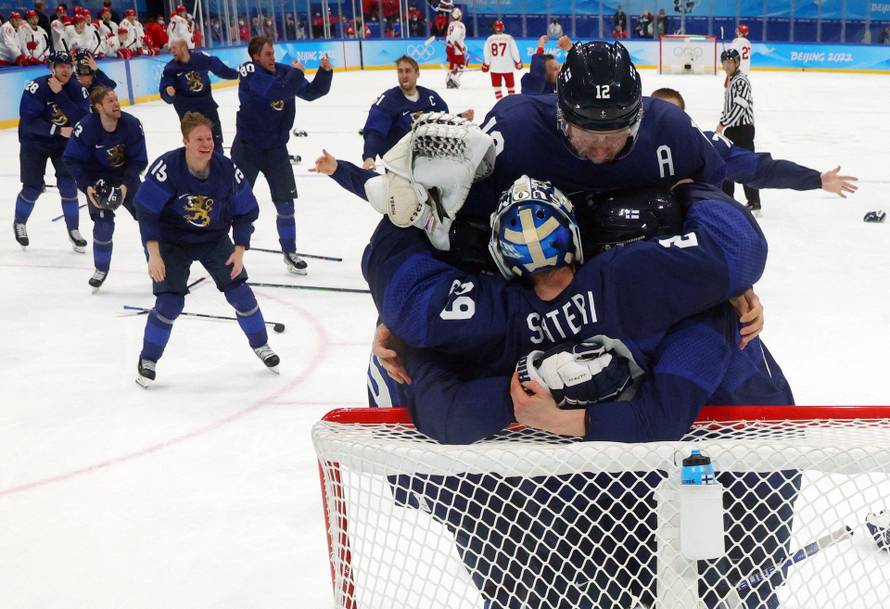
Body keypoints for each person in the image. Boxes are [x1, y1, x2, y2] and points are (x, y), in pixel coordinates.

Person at [134, 112, 279, 386]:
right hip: (171, 241)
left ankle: (261, 345)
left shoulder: (226, 169)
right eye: (199, 139)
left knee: (241, 294)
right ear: (185, 141)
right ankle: (148, 358)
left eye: (209, 138)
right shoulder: (167, 167)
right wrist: (153, 254)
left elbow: (246, 211)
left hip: (213, 238)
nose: (206, 144)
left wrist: (239, 249)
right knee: (169, 303)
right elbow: (146, 210)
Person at [232, 36, 333, 275]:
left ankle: (290, 252)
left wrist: (324, 72)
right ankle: (228, 250)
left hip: (276, 149)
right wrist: (296, 74)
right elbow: (272, 91)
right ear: (255, 56)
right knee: (237, 203)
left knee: (286, 205)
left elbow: (311, 92)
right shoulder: (248, 72)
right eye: (267, 54)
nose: (273, 58)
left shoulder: (284, 72)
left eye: (273, 53)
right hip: (248, 148)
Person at [652, 87, 859, 198]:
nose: (665, 120)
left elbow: (763, 170)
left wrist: (816, 179)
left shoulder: (707, 148)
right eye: (659, 112)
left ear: (684, 118)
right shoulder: (623, 147)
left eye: (672, 114)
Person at [63, 86, 147, 289]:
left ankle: (161, 266)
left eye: (116, 99)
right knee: (104, 225)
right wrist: (86, 186)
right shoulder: (85, 128)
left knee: (149, 219)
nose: (116, 103)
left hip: (127, 178)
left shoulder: (132, 124)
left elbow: (139, 160)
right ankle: (101, 268)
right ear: (98, 106)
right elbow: (71, 159)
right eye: (110, 101)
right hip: (97, 181)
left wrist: (126, 185)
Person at [14, 50, 89, 251]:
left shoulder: (76, 88)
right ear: (52, 68)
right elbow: (29, 121)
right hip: (34, 143)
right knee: (32, 187)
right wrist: (57, 129)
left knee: (68, 185)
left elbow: (83, 117)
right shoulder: (36, 87)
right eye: (61, 66)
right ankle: (20, 222)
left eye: (68, 66)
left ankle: (74, 230)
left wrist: (60, 95)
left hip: (62, 144)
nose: (65, 70)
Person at [361, 55, 455, 169]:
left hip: (429, 162)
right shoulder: (388, 100)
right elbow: (374, 132)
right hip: (399, 167)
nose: (404, 75)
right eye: (400, 71)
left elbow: (443, 124)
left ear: (417, 73)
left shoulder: (431, 98)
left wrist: (459, 117)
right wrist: (369, 156)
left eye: (408, 71)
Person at [160, 38, 239, 148]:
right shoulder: (170, 68)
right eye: (171, 49)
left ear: (184, 48)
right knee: (194, 144)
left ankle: (218, 162)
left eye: (174, 48)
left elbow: (221, 69)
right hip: (187, 113)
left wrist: (237, 75)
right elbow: (165, 91)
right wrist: (168, 92)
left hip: (207, 107)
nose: (172, 51)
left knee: (215, 142)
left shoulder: (201, 58)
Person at [717, 49, 760, 213]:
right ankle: (728, 200)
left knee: (746, 164)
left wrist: (722, 123)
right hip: (733, 129)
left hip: (742, 130)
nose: (727, 66)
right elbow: (728, 106)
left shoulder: (741, 81)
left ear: (737, 63)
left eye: (730, 62)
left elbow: (739, 108)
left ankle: (754, 202)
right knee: (726, 164)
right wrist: (723, 120)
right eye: (725, 63)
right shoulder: (731, 79)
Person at [482, 19, 522, 100]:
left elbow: (487, 54)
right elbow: (515, 52)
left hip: (495, 68)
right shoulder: (509, 38)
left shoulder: (489, 39)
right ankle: (511, 102)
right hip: (508, 67)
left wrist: (486, 64)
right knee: (510, 87)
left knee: (497, 87)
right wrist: (518, 62)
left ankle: (499, 103)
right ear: (503, 27)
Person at [444, 7, 466, 88]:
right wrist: (460, 47)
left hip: (450, 48)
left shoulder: (451, 24)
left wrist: (450, 44)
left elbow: (449, 37)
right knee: (462, 66)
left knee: (453, 65)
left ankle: (448, 79)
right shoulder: (460, 25)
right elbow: (455, 37)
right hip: (456, 49)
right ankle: (454, 80)